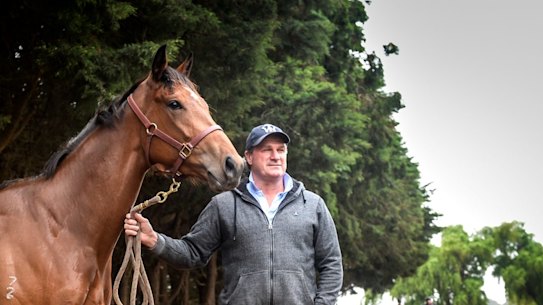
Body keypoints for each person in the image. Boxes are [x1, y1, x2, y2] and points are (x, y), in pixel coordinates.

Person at [124, 123, 343, 305]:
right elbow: (192, 252)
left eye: (281, 150)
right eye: (266, 149)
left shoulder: (313, 205)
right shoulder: (224, 205)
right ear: (248, 156)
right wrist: (154, 239)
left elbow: (331, 263)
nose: (275, 156)